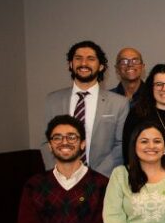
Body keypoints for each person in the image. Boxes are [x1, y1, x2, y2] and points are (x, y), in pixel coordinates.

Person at [44, 40, 130, 177]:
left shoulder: (119, 103)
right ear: (70, 64)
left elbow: (121, 144)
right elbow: (46, 141)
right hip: (61, 179)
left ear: (101, 66)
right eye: (78, 58)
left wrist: (92, 177)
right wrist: (60, 173)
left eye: (90, 59)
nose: (84, 63)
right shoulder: (53, 100)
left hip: (102, 180)